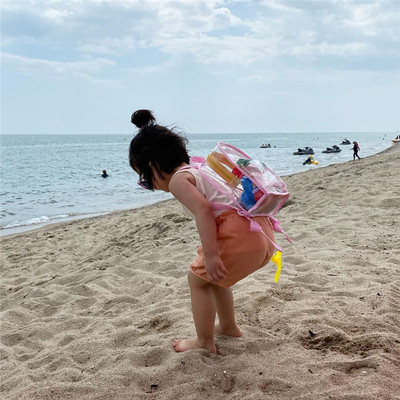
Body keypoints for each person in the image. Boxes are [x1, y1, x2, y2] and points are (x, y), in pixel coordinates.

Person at [129, 118, 276, 354]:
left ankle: (204, 341)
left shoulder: (178, 180)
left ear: (154, 166)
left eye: (145, 179)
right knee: (214, 279)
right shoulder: (199, 169)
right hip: (259, 230)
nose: (149, 185)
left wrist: (211, 255)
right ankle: (228, 326)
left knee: (197, 280)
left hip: (239, 234)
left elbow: (204, 211)